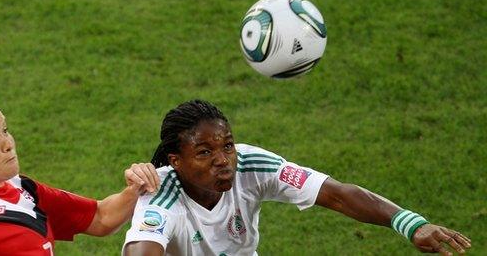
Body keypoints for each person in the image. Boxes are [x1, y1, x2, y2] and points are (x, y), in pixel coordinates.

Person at [123, 99, 472, 256]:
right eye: (204, 152)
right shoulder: (159, 194)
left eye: (227, 145)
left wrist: (410, 224)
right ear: (176, 161)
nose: (223, 160)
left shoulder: (252, 164)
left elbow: (335, 194)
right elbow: (143, 249)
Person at [0, 100, 159, 255]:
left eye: (4, 131)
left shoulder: (21, 188)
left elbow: (101, 217)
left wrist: (135, 187)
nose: (8, 144)